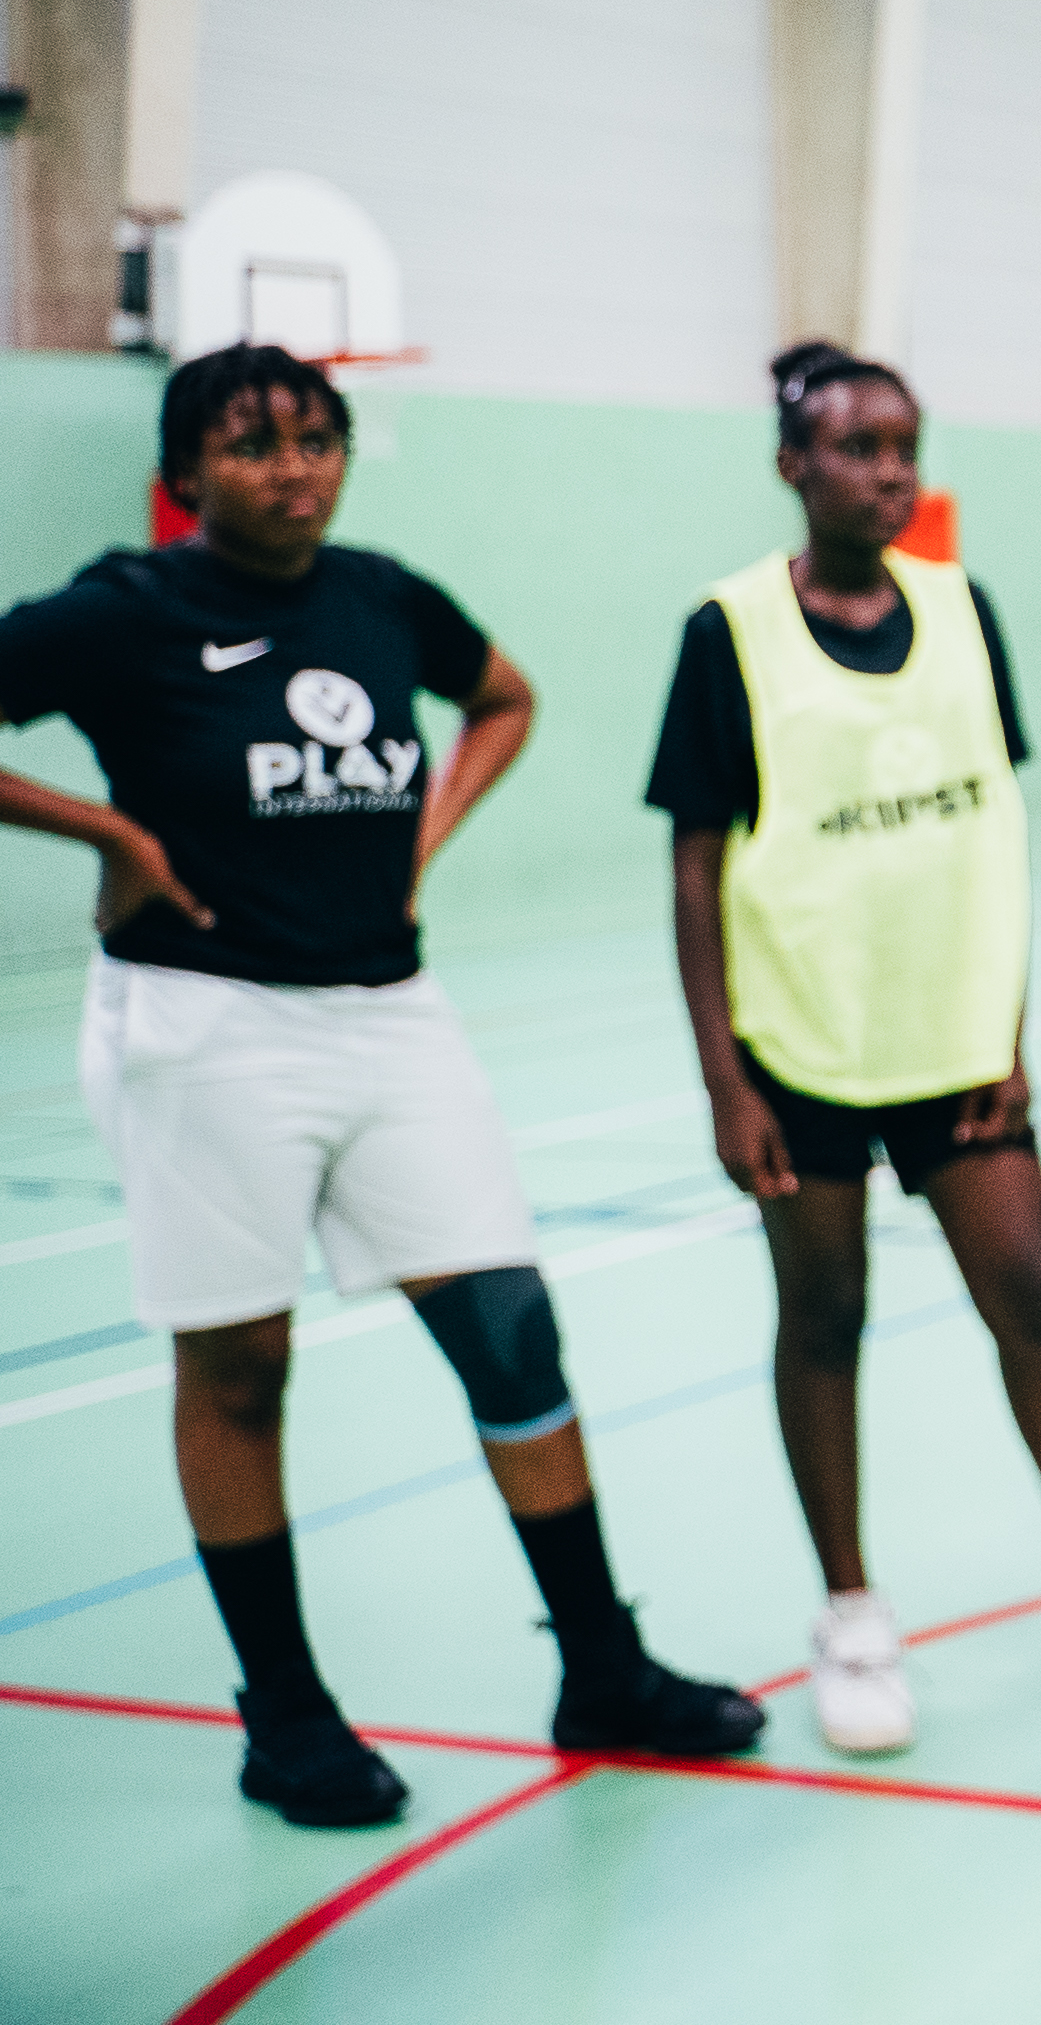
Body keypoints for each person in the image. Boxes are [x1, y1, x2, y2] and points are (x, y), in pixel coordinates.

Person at [0, 346, 760, 1826]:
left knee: (510, 1335)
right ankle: (283, 1717)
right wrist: (112, 839)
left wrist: (429, 834)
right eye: (250, 443)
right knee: (239, 1370)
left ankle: (601, 1667)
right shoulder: (122, 612)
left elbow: (505, 698)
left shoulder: (381, 596)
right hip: (204, 1023)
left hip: (390, 1009)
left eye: (316, 439)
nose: (291, 467)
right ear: (184, 474)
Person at [648, 345, 1041, 1755]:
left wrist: (1011, 1022)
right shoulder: (727, 631)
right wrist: (722, 1078)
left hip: (954, 1041)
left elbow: (991, 831)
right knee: (826, 1316)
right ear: (793, 464)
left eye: (905, 444)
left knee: (1036, 1294)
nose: (888, 469)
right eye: (857, 446)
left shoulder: (959, 610)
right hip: (797, 1040)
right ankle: (851, 1622)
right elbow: (695, 867)